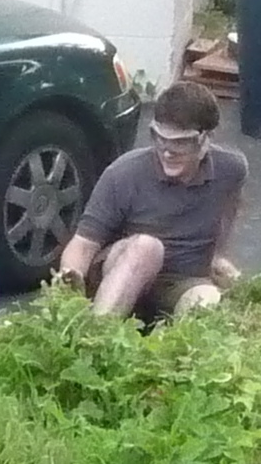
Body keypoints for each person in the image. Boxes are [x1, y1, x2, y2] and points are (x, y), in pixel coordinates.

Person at [56, 80, 247, 320]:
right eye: (159, 138)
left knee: (209, 303)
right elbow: (84, 244)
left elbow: (227, 217)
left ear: (205, 139)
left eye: (179, 142)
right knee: (148, 247)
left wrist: (220, 261)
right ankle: (97, 333)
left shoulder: (231, 170)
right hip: (122, 272)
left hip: (183, 283)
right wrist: (70, 279)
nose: (167, 151)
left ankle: (167, 343)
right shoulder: (124, 173)